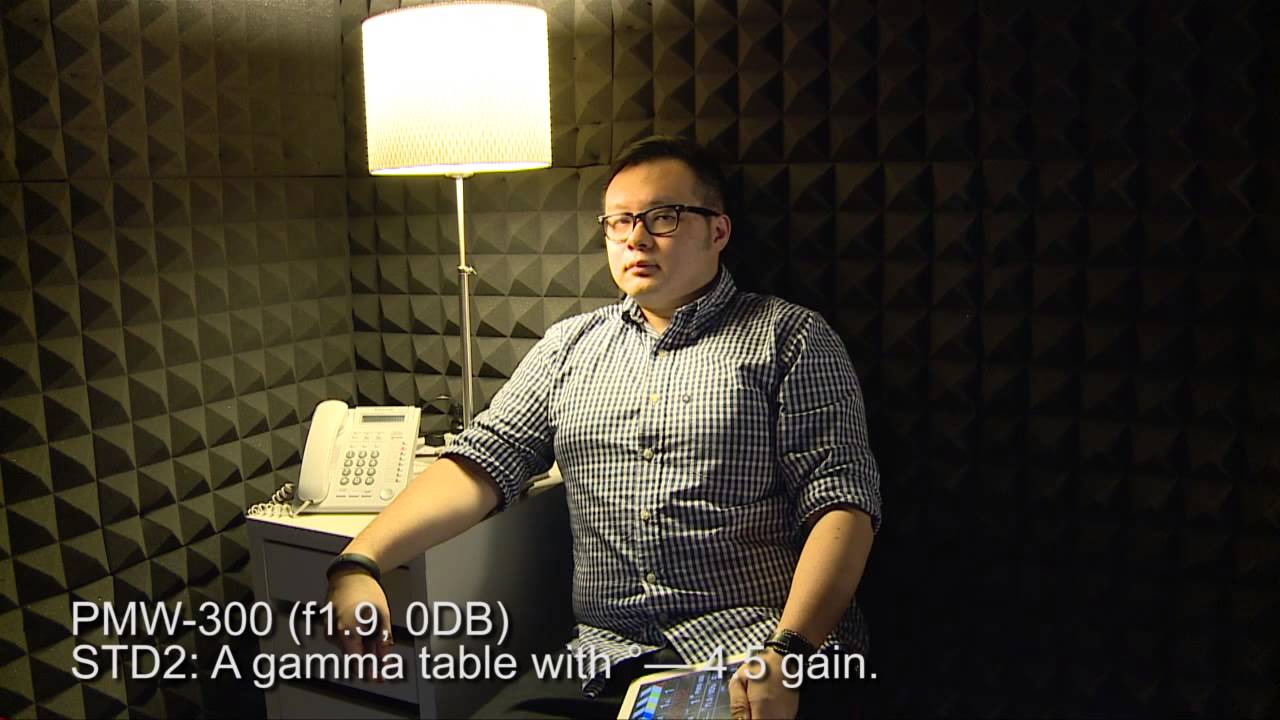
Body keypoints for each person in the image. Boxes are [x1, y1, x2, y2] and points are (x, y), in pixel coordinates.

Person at [325, 136, 882, 719]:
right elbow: (485, 460)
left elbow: (842, 504)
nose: (636, 238)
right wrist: (359, 562)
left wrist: (787, 654)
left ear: (718, 231)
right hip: (605, 661)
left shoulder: (789, 337)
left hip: (755, 651)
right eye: (619, 221)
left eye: (663, 217)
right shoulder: (569, 345)